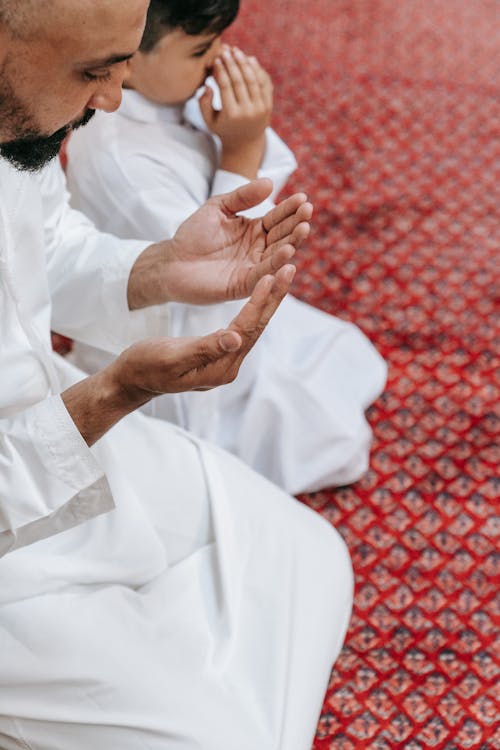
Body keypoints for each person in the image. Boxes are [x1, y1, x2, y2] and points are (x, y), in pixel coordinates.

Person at [0, 2, 353, 749]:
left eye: (123, 64)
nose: (112, 101)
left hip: (54, 426)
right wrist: (114, 394)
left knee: (311, 556)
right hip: (24, 493)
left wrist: (161, 267)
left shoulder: (21, 124)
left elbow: (47, 243)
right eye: (93, 71)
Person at [66, 0, 388, 495]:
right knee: (332, 441)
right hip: (184, 336)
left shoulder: (164, 95)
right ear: (126, 55)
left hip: (213, 296)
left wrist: (238, 131)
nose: (218, 58)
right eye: (200, 49)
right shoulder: (122, 168)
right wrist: (241, 147)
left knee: (339, 359)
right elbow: (213, 270)